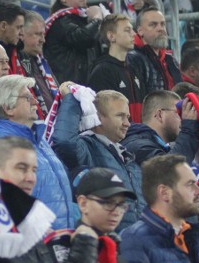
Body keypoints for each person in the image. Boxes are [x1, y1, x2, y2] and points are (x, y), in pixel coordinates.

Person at [0, 75, 76, 230]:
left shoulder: (39, 140)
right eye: (27, 98)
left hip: (61, 240)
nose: (35, 101)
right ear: (8, 108)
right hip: (34, 247)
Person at [52, 89, 144, 230]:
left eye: (128, 117)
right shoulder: (86, 147)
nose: (128, 123)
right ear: (98, 117)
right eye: (120, 116)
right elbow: (64, 141)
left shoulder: (127, 156)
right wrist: (73, 97)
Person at [43, 0, 103, 85]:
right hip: (68, 88)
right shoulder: (60, 21)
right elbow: (84, 39)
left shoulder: (82, 19)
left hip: (84, 87)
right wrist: (96, 19)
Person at [125, 8, 181, 122]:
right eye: (153, 25)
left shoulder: (171, 60)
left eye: (163, 24)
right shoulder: (133, 59)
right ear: (140, 31)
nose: (161, 29)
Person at [121, 89, 199, 166]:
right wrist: (189, 129)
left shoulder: (156, 145)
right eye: (179, 112)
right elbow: (171, 172)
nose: (182, 118)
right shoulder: (138, 146)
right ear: (160, 115)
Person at [18, 10, 58, 117]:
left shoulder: (42, 63)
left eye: (43, 35)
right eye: (38, 34)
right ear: (21, 33)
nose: (43, 40)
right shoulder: (13, 63)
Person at [87, 13, 134, 100]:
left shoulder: (135, 66)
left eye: (132, 30)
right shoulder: (102, 71)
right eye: (127, 30)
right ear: (111, 36)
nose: (133, 34)